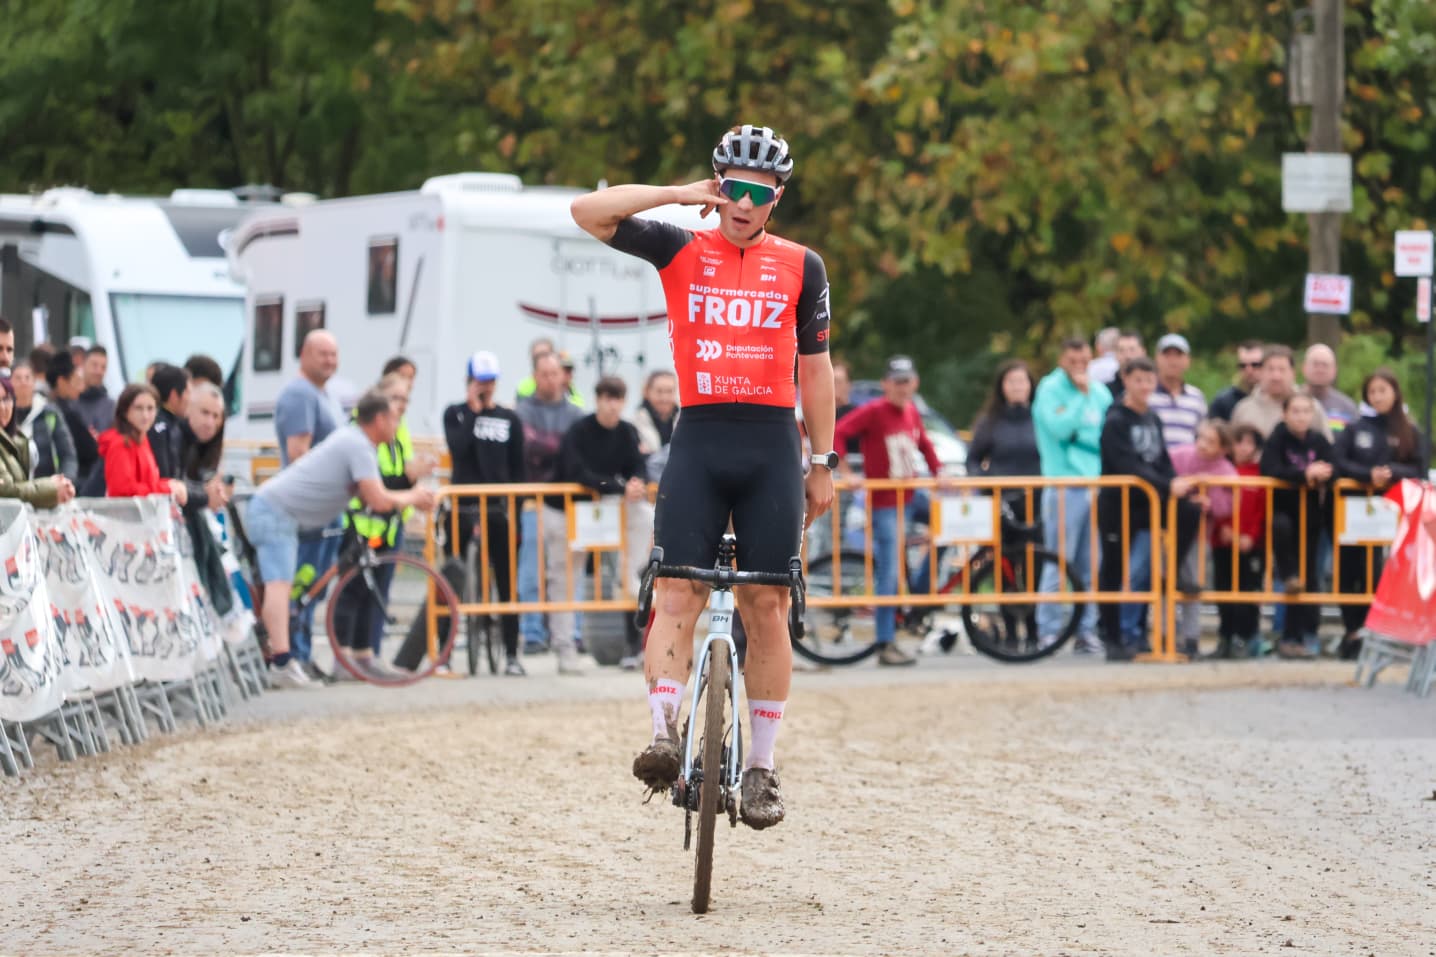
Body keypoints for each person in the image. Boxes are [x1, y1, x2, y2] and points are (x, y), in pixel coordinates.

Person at [571, 122, 836, 830]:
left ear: (777, 197)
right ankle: (663, 733)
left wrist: (822, 462)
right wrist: (679, 194)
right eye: (733, 190)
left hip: (772, 445)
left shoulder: (803, 266)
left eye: (759, 193)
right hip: (700, 438)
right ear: (719, 188)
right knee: (678, 588)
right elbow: (587, 212)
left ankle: (761, 768)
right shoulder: (681, 243)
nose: (744, 204)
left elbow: (814, 371)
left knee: (768, 606)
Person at [245, 390, 437, 688]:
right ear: (380, 419)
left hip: (287, 514)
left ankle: (289, 655)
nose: (399, 427)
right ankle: (281, 663)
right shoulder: (357, 444)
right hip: (276, 512)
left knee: (296, 587)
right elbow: (378, 499)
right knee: (279, 585)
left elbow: (366, 495)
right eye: (395, 419)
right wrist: (413, 496)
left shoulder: (357, 443)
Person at [834, 356, 941, 667]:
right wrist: (845, 471)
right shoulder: (874, 411)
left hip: (911, 494)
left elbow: (926, 446)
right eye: (896, 382)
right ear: (886, 384)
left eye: (907, 381)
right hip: (885, 501)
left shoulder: (912, 412)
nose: (902, 388)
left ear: (915, 383)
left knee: (952, 527)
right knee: (889, 571)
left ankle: (920, 592)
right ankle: (885, 640)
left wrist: (939, 473)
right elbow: (840, 432)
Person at [1096, 358, 1200, 661]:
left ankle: (1172, 572)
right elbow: (1127, 464)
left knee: (1190, 511)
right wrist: (1167, 486)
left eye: (1149, 380)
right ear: (1126, 381)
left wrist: (1177, 484)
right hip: (1119, 503)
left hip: (1149, 501)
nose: (1144, 387)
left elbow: (1161, 460)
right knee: (1114, 567)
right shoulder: (1116, 420)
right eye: (1138, 380)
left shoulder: (1152, 419)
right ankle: (1112, 636)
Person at [335, 373, 436, 679]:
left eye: (405, 399)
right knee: (351, 592)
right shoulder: (363, 435)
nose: (400, 407)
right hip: (360, 522)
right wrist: (410, 484)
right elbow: (377, 484)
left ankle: (366, 655)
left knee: (374, 591)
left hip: (386, 525)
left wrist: (410, 480)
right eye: (395, 399)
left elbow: (395, 478)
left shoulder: (397, 431)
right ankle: (342, 659)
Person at [435, 351, 528, 676]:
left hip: (499, 508)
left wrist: (517, 509)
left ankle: (512, 653)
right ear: (469, 382)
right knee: (453, 576)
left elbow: (519, 467)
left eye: (490, 382)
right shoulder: (455, 414)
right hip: (463, 506)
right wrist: (473, 412)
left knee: (506, 580)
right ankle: (445, 652)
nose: (485, 387)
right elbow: (458, 449)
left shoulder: (509, 418)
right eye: (480, 382)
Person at [559, 376, 654, 671]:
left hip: (617, 506)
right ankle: (566, 645)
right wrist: (617, 486)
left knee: (644, 525)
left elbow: (637, 465)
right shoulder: (580, 430)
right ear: (598, 399)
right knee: (568, 577)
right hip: (582, 509)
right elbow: (576, 471)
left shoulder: (627, 431)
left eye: (617, 399)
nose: (612, 405)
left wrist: (637, 483)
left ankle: (632, 576)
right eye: (607, 398)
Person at [1330, 370, 1426, 660]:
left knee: (1380, 572)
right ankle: (1353, 630)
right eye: (1372, 392)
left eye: (1383, 390)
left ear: (1395, 393)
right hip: (1355, 512)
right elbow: (1338, 462)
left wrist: (1392, 473)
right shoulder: (1356, 429)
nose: (1378, 396)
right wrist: (1366, 475)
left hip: (1393, 515)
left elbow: (1419, 469)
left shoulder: (1409, 431)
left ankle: (1380, 631)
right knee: (1350, 571)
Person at [1031, 337, 1112, 654]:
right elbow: (1060, 429)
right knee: (1058, 560)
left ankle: (1085, 629)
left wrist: (1085, 400)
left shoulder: (1100, 391)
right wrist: (1080, 398)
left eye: (1084, 358)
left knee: (1090, 563)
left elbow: (1103, 432)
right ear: (1062, 357)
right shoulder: (1050, 389)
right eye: (1073, 358)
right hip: (1064, 484)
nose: (1080, 364)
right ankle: (1049, 630)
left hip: (1095, 485)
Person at [274, 329, 344, 672]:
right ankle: (296, 654)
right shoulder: (300, 394)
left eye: (333, 354)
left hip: (327, 505)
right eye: (322, 354)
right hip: (311, 507)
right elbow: (298, 452)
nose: (330, 361)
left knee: (315, 582)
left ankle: (302, 652)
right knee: (304, 580)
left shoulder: (323, 394)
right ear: (304, 354)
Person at [516, 350, 587, 662]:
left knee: (568, 573)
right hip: (534, 500)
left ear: (563, 376)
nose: (550, 379)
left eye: (554, 373)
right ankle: (532, 632)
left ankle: (571, 633)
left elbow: (576, 450)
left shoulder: (575, 412)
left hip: (568, 503)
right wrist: (563, 446)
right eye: (543, 373)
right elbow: (529, 445)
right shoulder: (523, 410)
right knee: (532, 570)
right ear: (535, 376)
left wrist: (556, 447)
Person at [1259, 393, 1334, 659]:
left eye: (1306, 411)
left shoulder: (1319, 440)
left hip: (1312, 516)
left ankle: (1309, 635)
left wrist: (1323, 473)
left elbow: (1332, 466)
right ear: (1285, 414)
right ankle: (1289, 635)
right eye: (1296, 411)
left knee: (1311, 577)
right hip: (1284, 512)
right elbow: (1270, 469)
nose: (1301, 416)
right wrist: (1304, 475)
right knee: (1292, 577)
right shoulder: (1277, 439)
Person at [1168, 420, 1237, 659]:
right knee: (1165, 583)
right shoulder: (1179, 455)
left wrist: (1209, 502)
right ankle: (1166, 635)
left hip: (1199, 536)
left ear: (1223, 448)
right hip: (1170, 530)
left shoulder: (1226, 471)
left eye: (1211, 441)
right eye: (1201, 438)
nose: (1203, 445)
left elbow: (1228, 507)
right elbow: (1163, 481)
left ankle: (1191, 638)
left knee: (1192, 587)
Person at [1212, 425, 1267, 659]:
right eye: (1239, 442)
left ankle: (1247, 637)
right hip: (1223, 542)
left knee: (1248, 591)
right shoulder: (1221, 471)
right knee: (1223, 589)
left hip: (1250, 545)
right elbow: (1216, 503)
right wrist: (1223, 528)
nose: (1244, 448)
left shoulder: (1259, 475)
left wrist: (1251, 536)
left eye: (1249, 443)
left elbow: (1261, 511)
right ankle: (1225, 636)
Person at [967, 359, 1041, 518]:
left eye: (1021, 381)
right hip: (1001, 503)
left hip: (1038, 502)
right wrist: (985, 482)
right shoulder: (989, 422)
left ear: (1030, 385)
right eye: (1011, 381)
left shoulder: (1042, 420)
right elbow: (972, 459)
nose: (1017, 386)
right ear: (1001, 386)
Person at [98, 384, 188, 505]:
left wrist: (171, 484)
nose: (145, 415)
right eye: (138, 408)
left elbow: (149, 483)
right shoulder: (120, 444)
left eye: (150, 408)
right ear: (125, 411)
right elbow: (122, 492)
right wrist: (167, 488)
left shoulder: (142, 440)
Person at [0, 376, 76, 508]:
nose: (2, 407)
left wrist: (62, 484)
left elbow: (68, 455)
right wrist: (52, 488)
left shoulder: (15, 439)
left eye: (6, 399)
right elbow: (6, 491)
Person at [1231, 345, 1332, 441]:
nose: (1276, 376)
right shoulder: (1244, 410)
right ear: (1261, 372)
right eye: (1270, 369)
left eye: (1282, 370)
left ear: (1293, 373)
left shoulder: (1312, 407)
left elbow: (1328, 451)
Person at [148, 364, 211, 512]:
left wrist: (204, 491)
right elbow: (168, 481)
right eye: (188, 392)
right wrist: (205, 495)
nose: (191, 399)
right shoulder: (161, 428)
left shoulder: (174, 425)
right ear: (174, 395)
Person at [10, 363, 78, 483]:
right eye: (18, 378)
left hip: (47, 488)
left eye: (27, 378)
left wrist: (64, 481)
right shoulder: (4, 414)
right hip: (13, 491)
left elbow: (68, 455)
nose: (23, 382)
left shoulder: (50, 414)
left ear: (34, 382)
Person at [45, 351, 102, 491]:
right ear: (61, 382)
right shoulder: (64, 413)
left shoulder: (62, 408)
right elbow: (90, 450)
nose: (81, 388)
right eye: (76, 382)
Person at [1149, 333, 1207, 448]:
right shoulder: (1145, 394)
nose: (1172, 361)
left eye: (1178, 355)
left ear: (1187, 360)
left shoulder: (1196, 397)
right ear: (1156, 358)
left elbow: (1202, 436)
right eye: (1167, 355)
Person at [1302, 344, 1359, 434]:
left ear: (1335, 370)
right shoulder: (1289, 401)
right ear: (1304, 368)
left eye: (1325, 365)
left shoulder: (1347, 408)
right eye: (1315, 364)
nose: (1320, 369)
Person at [1208, 340, 1265, 422]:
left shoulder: (1279, 399)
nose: (1249, 370)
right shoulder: (1223, 401)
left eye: (1255, 365)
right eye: (1242, 365)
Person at [632, 369, 679, 456]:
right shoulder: (633, 426)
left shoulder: (685, 421)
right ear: (647, 392)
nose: (664, 398)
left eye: (669, 391)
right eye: (659, 391)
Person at [77, 345, 115, 435]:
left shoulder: (111, 407)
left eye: (103, 367)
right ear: (83, 364)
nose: (99, 371)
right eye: (94, 365)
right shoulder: (70, 401)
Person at [1107, 329, 1146, 400]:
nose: (1127, 356)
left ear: (1143, 352)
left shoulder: (1152, 388)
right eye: (1121, 351)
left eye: (1132, 350)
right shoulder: (1106, 391)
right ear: (1115, 355)